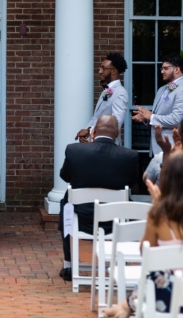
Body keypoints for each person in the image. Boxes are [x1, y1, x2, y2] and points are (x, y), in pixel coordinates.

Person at [103, 151, 183, 318]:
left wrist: (158, 206)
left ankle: (128, 304)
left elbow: (145, 254)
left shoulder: (159, 214)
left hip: (168, 300)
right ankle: (127, 305)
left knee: (155, 273)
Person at [59, 115, 139, 279]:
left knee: (66, 200)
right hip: (116, 220)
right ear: (116, 134)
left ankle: (68, 265)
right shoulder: (130, 156)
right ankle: (123, 262)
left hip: (81, 218)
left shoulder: (75, 150)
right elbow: (131, 184)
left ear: (93, 132)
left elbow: (65, 176)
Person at [132, 53, 183, 156]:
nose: (162, 71)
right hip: (157, 147)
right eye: (162, 68)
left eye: (165, 68)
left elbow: (177, 119)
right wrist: (146, 117)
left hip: (174, 148)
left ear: (176, 69)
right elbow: (159, 114)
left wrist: (151, 116)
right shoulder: (162, 89)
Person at [75, 53, 129, 144]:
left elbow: (116, 123)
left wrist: (89, 131)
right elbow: (95, 117)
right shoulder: (107, 90)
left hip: (108, 147)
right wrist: (86, 135)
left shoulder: (120, 93)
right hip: (96, 144)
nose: (100, 71)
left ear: (113, 71)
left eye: (103, 68)